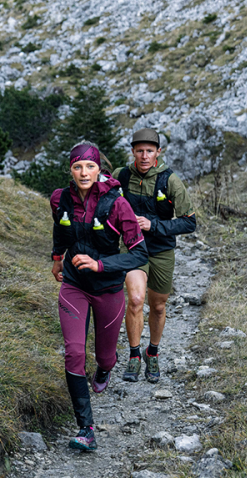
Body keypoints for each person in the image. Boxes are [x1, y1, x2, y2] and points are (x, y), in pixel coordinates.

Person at [51, 142, 148, 451]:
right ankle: (86, 429)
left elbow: (139, 254)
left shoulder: (117, 205)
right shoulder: (60, 198)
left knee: (103, 358)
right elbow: (61, 227)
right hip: (74, 285)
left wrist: (100, 264)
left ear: (99, 169)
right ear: (70, 169)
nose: (83, 172)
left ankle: (107, 365)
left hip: (107, 288)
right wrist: (57, 258)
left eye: (89, 166)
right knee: (74, 353)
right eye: (77, 167)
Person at [117, 128, 196, 383]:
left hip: (161, 249)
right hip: (132, 248)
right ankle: (134, 355)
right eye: (139, 150)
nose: (144, 155)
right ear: (133, 151)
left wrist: (154, 225)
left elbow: (189, 222)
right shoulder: (122, 176)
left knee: (158, 306)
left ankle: (152, 351)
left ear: (158, 152)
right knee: (136, 299)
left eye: (149, 151)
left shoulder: (170, 180)